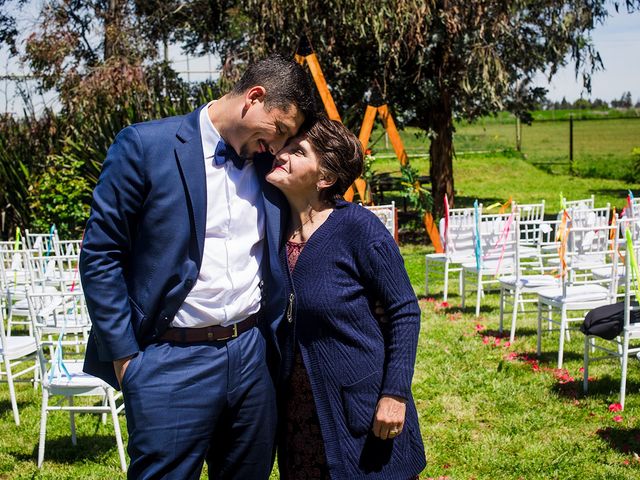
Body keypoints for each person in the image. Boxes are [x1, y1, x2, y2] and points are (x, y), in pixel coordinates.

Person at [79, 54, 316, 479]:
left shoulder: (269, 166)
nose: (279, 146)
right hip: (168, 360)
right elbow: (101, 253)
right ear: (254, 98)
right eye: (279, 130)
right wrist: (127, 360)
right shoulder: (144, 147)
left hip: (251, 356)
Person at [264, 116, 426, 479]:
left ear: (325, 179)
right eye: (284, 145)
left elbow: (404, 310)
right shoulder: (269, 228)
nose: (281, 153)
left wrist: (395, 394)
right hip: (298, 418)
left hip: (362, 413)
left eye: (297, 150)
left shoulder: (357, 228)